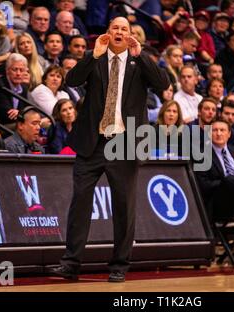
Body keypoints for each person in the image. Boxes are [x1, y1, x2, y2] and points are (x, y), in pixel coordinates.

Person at [50, 16, 169, 282]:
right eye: (114, 27)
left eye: (124, 29)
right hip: (92, 142)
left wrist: (142, 55)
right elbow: (71, 79)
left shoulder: (139, 63)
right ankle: (71, 263)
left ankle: (119, 265)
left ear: (130, 35)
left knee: (124, 207)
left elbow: (163, 84)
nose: (119, 31)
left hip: (125, 145)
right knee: (80, 201)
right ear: (107, 32)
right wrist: (93, 55)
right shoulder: (97, 58)